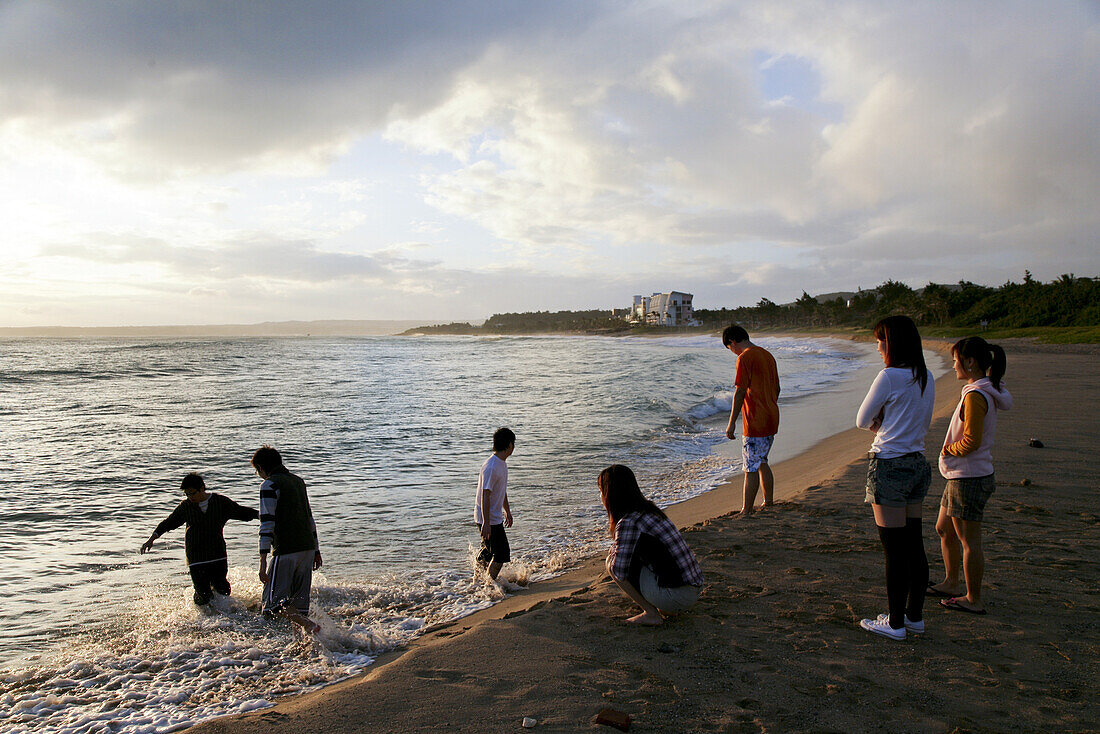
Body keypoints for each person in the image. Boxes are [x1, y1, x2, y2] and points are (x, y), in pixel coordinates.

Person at [855, 315, 935, 640]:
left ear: (892, 343)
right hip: (917, 463)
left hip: (889, 464)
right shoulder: (924, 375)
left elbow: (861, 419)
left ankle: (895, 623)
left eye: (880, 340)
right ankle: (914, 616)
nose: (877, 347)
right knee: (914, 545)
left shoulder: (889, 376)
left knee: (893, 551)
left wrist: (881, 427)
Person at [930, 337, 1012, 615]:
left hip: (969, 477)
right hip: (961, 476)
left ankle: (972, 598)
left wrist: (948, 449)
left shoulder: (976, 396)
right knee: (944, 528)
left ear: (970, 362)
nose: (953, 365)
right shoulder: (978, 390)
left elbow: (972, 441)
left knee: (969, 541)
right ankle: (952, 582)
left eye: (956, 360)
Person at [600, 464, 704, 625]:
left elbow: (619, 570)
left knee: (611, 563)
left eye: (601, 491)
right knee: (628, 557)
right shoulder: (648, 510)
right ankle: (666, 606)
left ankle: (651, 613)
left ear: (610, 495)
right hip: (693, 588)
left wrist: (614, 549)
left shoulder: (628, 522)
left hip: (678, 596)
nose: (600, 496)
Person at [140, 472, 259, 606]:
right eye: (187, 494)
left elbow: (241, 511)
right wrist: (152, 539)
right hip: (195, 556)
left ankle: (227, 620)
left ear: (202, 488)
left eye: (192, 493)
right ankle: (203, 620)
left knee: (223, 590)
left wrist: (261, 515)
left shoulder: (220, 502)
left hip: (217, 553)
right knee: (203, 595)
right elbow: (168, 523)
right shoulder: (186, 507)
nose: (190, 497)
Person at [252, 446, 323, 634]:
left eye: (256, 470)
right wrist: (316, 550)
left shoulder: (269, 485)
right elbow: (310, 518)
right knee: (299, 607)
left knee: (273, 605)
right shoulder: (299, 482)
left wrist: (262, 560)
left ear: (261, 467)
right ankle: (305, 646)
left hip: (285, 550)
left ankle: (309, 626)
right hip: (307, 548)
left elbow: (266, 523)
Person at [722, 325, 781, 515]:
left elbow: (739, 391)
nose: (731, 352)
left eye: (729, 347)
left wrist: (732, 423)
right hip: (772, 417)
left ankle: (746, 510)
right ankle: (768, 502)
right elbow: (777, 388)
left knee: (751, 467)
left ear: (732, 341)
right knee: (762, 461)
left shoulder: (745, 357)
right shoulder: (767, 355)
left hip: (755, 420)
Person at [475, 427, 515, 582]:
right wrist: (485, 522)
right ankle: (488, 586)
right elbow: (485, 495)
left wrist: (507, 511)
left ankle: (479, 580)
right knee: (502, 554)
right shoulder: (492, 466)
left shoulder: (501, 463)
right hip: (487, 518)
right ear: (509, 445)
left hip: (493, 517)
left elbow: (501, 490)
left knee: (489, 552)